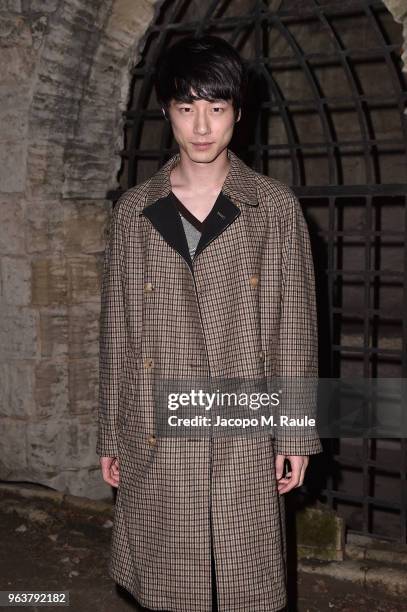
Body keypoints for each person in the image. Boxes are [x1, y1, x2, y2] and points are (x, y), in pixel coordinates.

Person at [97, 34, 322, 612]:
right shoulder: (134, 212)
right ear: (167, 111)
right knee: (168, 578)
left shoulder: (271, 207)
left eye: (216, 108)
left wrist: (295, 433)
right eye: (186, 107)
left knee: (243, 576)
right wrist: (110, 431)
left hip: (243, 421)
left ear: (237, 114)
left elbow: (292, 326)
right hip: (154, 424)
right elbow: (118, 328)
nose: (201, 126)